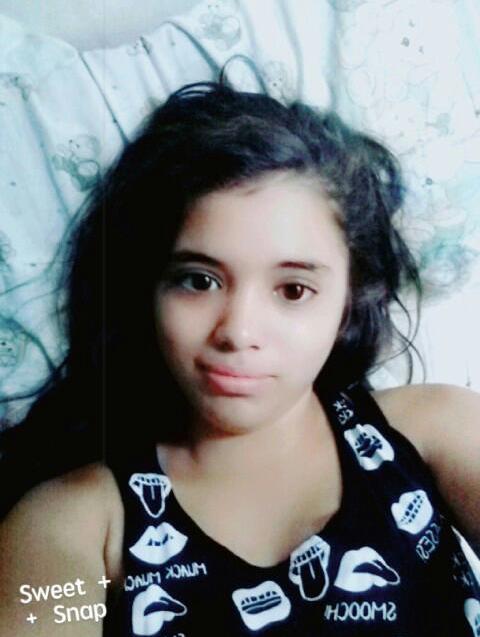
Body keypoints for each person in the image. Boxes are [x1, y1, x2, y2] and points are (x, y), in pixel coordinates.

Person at [0, 80, 479, 637]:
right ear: (144, 288)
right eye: (198, 280)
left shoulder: (435, 433)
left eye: (293, 290)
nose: (239, 332)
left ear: (350, 301)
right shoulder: (71, 528)